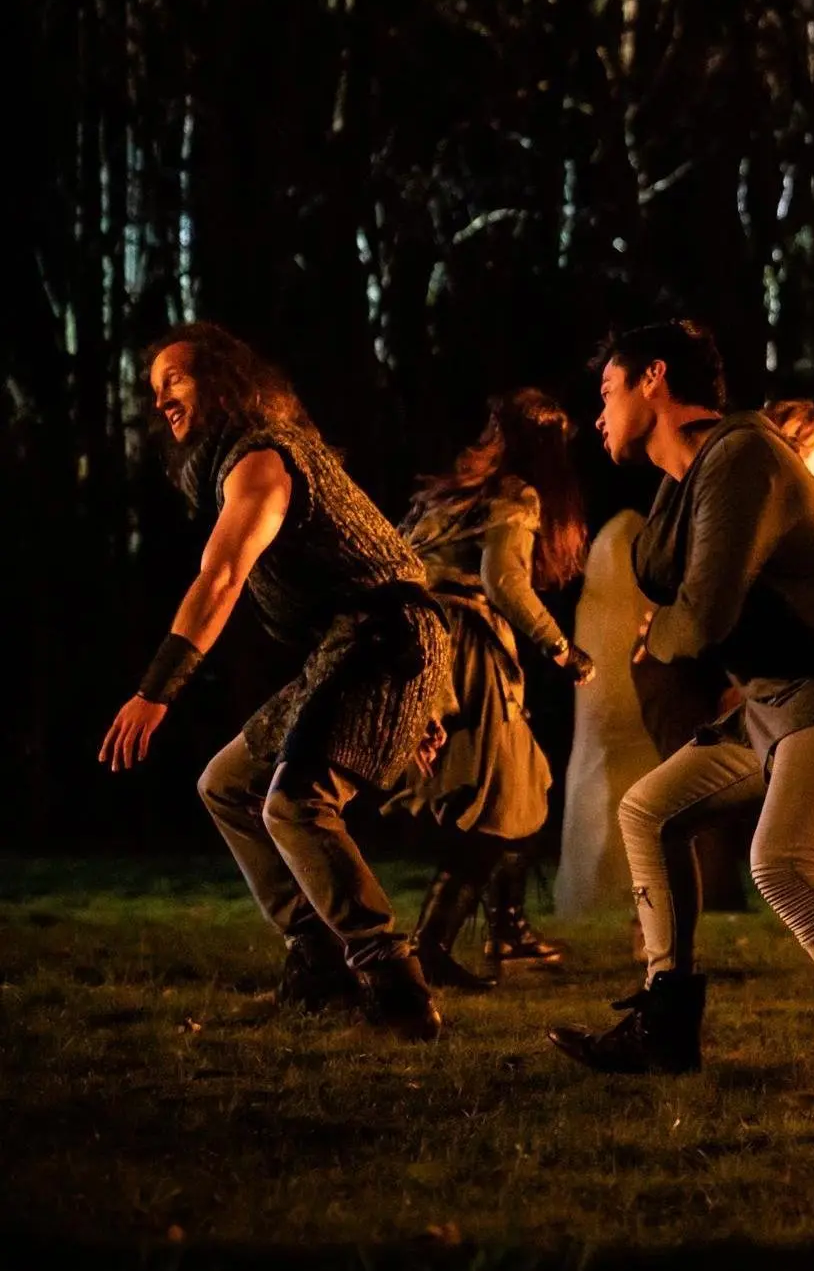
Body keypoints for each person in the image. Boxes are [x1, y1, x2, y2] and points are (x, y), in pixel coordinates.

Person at [547, 321, 814, 1092]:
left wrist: (663, 634)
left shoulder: (745, 454)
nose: (597, 415)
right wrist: (670, 620)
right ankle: (665, 1024)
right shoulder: (687, 480)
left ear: (653, 379)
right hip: (777, 702)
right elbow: (664, 581)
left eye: (607, 392)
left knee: (782, 862)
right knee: (649, 811)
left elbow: (705, 613)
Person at [101, 322, 452, 1040]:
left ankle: (394, 984)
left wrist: (156, 690)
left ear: (224, 384)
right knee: (227, 785)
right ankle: (317, 960)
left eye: (176, 378)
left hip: (381, 639)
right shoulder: (247, 459)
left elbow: (223, 577)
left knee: (295, 805)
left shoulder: (262, 460)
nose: (161, 396)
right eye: (154, 387)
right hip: (354, 645)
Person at [390, 389, 594, 990]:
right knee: (496, 801)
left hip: (424, 643)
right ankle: (428, 948)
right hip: (463, 648)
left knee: (519, 785)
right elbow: (502, 577)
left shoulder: (451, 496)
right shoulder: (515, 495)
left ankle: (497, 931)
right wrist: (562, 648)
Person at [556, 505, 664, 918]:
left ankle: (629, 892)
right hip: (614, 709)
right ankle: (602, 890)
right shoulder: (618, 552)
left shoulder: (616, 560)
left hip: (628, 715)